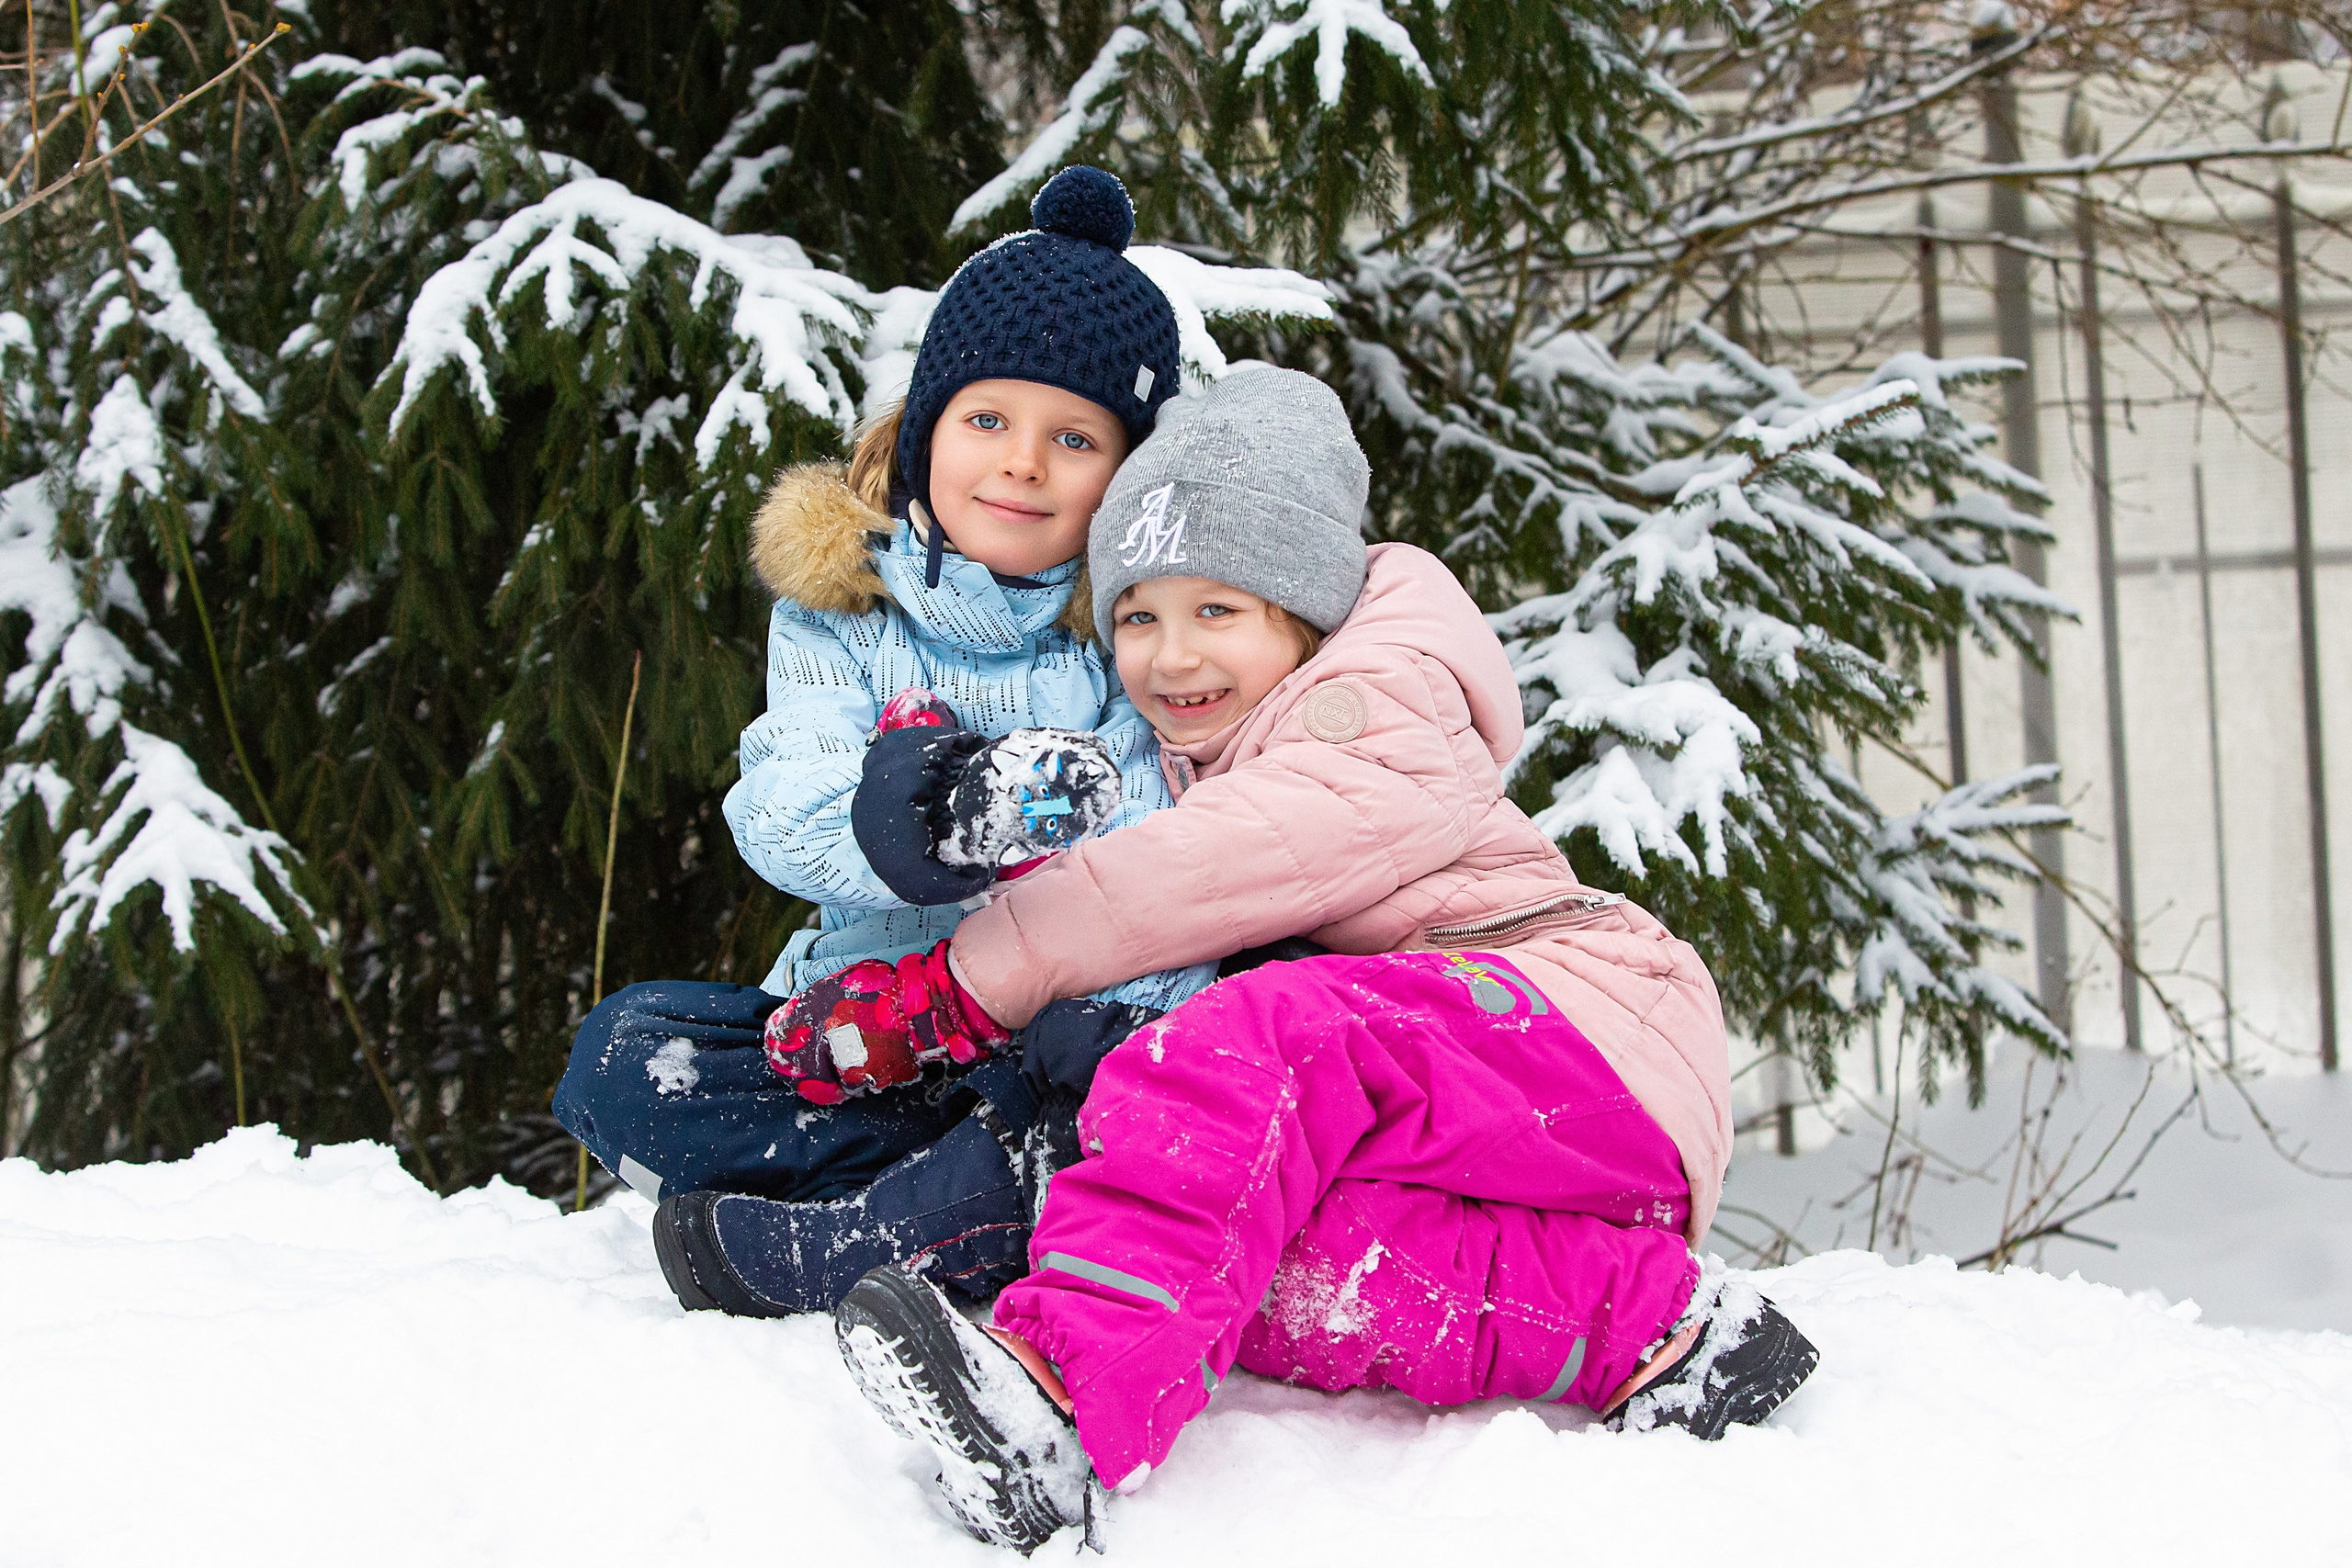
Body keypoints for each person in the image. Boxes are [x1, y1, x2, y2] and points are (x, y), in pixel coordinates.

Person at [796, 367, 1818, 1551]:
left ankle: (1061, 1395)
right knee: (1251, 1257)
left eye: (1217, 611)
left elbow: (1199, 871)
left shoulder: (1371, 704)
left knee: (1255, 1037)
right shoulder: (1224, 739)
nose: (1171, 657)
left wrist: (962, 986)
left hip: (1575, 1016)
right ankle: (1658, 1324)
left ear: (1306, 614)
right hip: (1543, 1144)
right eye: (1137, 617)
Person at [549, 166, 1216, 1316]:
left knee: (1128, 1078)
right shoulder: (837, 613)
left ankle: (952, 1199)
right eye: (990, 420)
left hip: (1063, 1037)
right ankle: (974, 1197)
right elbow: (782, 797)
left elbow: (1171, 833)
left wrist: (1038, 828)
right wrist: (924, 825)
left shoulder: (1134, 631)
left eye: (1074, 438)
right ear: (925, 431)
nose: (1021, 462)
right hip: (869, 1034)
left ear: (1123, 476)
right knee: (628, 1053)